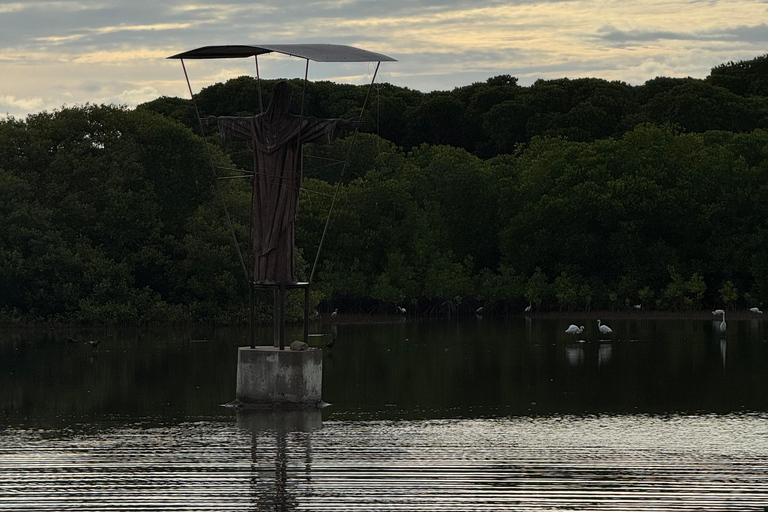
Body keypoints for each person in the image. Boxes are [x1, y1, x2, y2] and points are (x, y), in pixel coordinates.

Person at [206, 81, 359, 283]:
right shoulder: (293, 125)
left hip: (263, 186)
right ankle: (279, 275)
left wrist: (214, 121)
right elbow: (317, 126)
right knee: (283, 223)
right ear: (287, 100)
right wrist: (342, 124)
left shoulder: (256, 124)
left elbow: (234, 123)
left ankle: (266, 274)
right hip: (283, 185)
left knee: (268, 225)